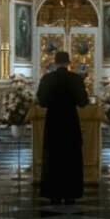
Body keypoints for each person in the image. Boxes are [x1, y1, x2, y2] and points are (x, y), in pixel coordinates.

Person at [36, 51, 90, 204]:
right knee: (71, 156)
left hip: (53, 121)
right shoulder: (75, 79)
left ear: (55, 62)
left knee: (53, 156)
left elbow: (42, 102)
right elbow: (83, 102)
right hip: (70, 121)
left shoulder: (47, 79)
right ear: (68, 63)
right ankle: (71, 193)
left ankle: (53, 193)